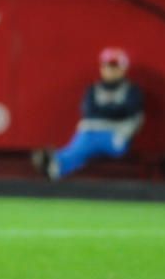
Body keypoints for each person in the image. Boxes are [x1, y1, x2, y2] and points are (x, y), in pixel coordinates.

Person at [33, 47, 144, 180]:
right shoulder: (93, 89)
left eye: (115, 67)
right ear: (102, 68)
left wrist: (104, 110)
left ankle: (57, 162)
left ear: (123, 69)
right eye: (108, 66)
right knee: (82, 145)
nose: (111, 70)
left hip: (117, 135)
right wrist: (114, 109)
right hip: (90, 130)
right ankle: (56, 166)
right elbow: (89, 111)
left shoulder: (131, 90)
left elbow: (129, 111)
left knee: (85, 146)